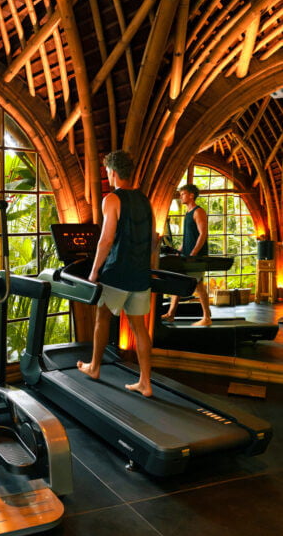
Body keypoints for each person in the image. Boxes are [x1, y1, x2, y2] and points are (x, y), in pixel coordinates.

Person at [77, 150, 157, 397]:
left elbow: (106, 240)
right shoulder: (145, 200)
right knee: (139, 328)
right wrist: (150, 270)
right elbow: (153, 239)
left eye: (107, 172)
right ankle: (145, 382)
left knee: (102, 317)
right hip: (140, 275)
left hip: (117, 273)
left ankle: (94, 367)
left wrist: (94, 272)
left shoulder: (112, 199)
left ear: (112, 172)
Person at [161, 183, 212, 326]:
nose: (180, 196)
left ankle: (207, 318)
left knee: (199, 285)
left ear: (191, 195)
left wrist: (194, 253)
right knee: (178, 282)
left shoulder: (198, 211)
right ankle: (171, 314)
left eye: (183, 194)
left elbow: (203, 234)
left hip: (196, 256)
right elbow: (187, 237)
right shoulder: (188, 213)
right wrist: (180, 251)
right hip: (187, 255)